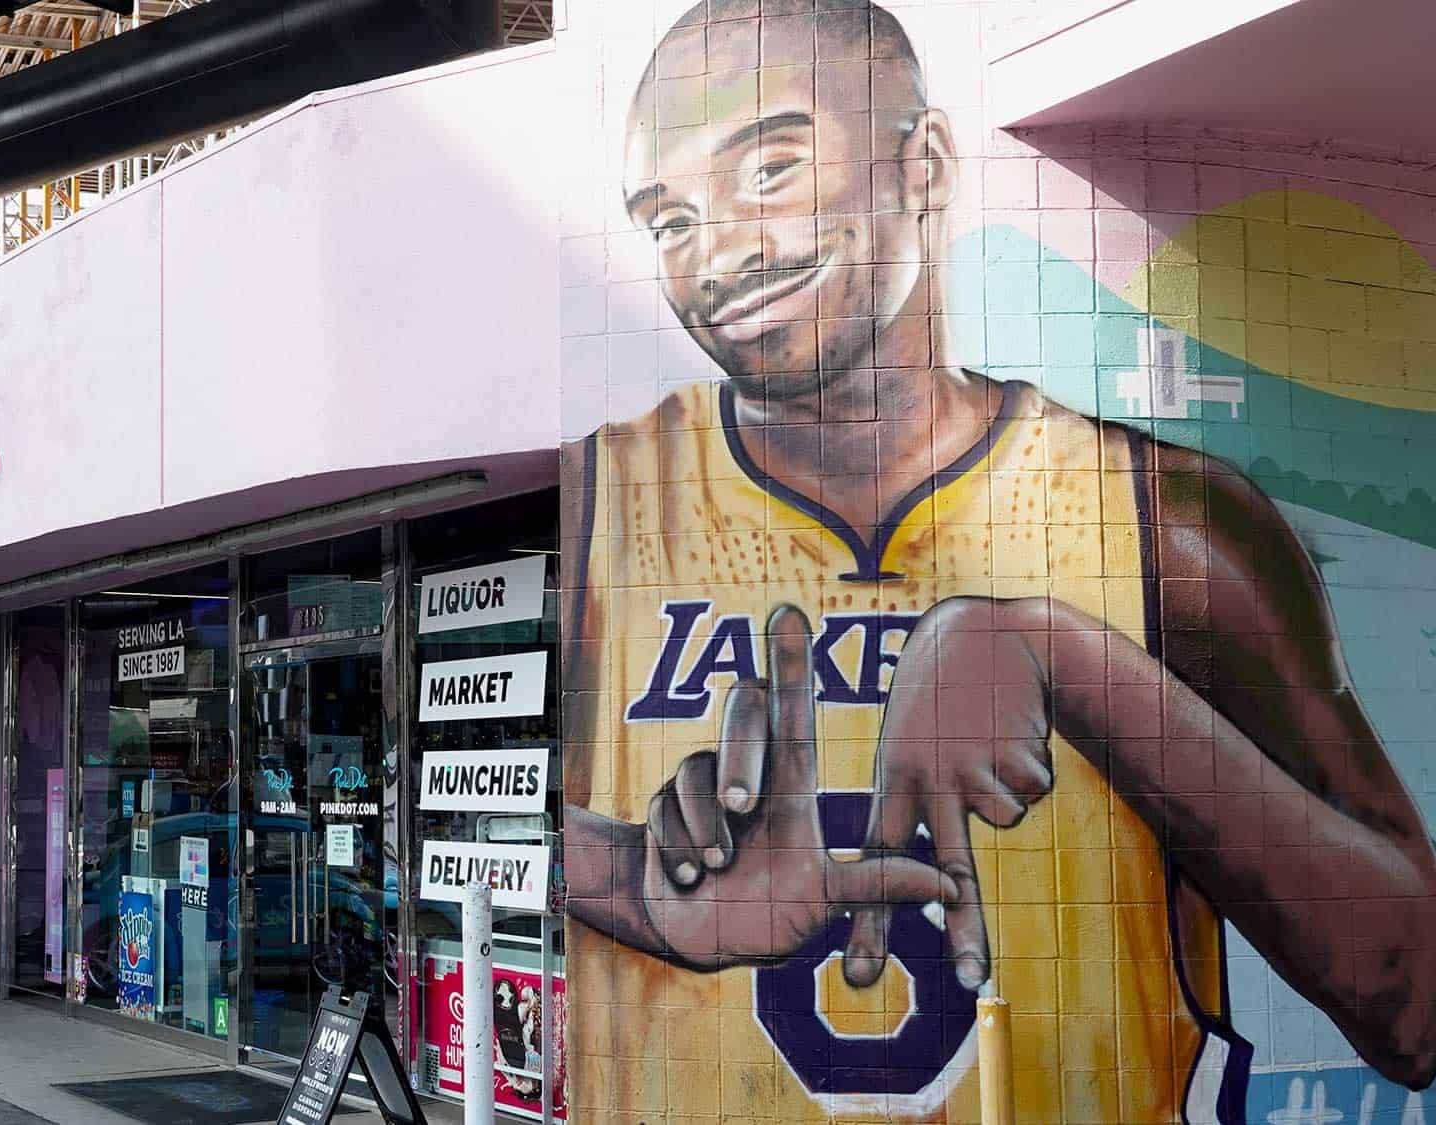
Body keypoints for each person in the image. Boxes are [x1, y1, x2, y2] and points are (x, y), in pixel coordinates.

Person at [560, 1, 1436, 1121]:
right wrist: (635, 882)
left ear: (921, 163)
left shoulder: (1161, 518)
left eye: (770, 167)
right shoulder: (600, 498)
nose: (721, 253)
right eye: (668, 220)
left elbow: (1410, 1006)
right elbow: (465, 831)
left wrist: (1061, 656)